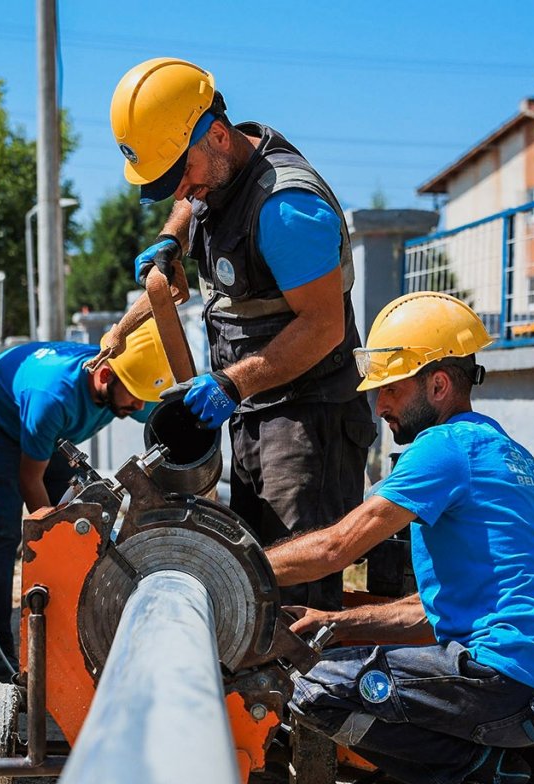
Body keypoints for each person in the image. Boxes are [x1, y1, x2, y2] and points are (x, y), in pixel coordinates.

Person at [265, 292, 534, 784]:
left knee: (316, 689)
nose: (380, 407)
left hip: (507, 680)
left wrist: (236, 568)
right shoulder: (503, 450)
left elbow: (337, 546)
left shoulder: (443, 448)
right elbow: (436, 613)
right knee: (349, 666)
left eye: (391, 389)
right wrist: (335, 622)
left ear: (438, 384)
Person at [108, 56, 375, 612]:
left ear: (218, 136)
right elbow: (189, 201)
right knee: (253, 577)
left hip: (308, 423)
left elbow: (323, 327)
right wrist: (171, 240)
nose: (183, 190)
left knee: (296, 590)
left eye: (182, 174)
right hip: (257, 409)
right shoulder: (218, 171)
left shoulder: (287, 210)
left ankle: (315, 672)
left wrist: (232, 383)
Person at [0, 318, 173, 662]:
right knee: (6, 530)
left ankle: (68, 644)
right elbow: (30, 480)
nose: (138, 408)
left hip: (45, 429)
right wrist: (52, 543)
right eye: (135, 398)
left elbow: (163, 418)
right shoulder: (53, 397)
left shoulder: (124, 380)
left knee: (75, 522)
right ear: (105, 376)